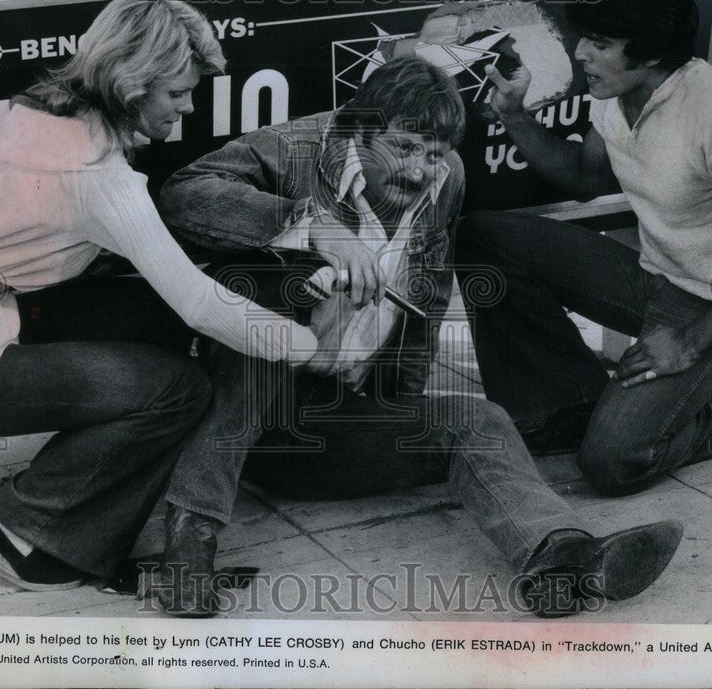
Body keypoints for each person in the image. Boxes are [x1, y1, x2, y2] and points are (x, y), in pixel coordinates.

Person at [155, 56, 684, 619]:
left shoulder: (446, 177)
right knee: (262, 311)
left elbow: (426, 302)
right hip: (240, 425)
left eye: (433, 154)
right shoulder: (294, 149)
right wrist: (314, 226)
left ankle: (560, 557)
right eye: (404, 148)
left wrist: (400, 415)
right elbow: (183, 194)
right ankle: (189, 545)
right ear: (360, 131)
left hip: (322, 434)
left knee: (481, 420)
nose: (419, 170)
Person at [0, 0, 316, 597]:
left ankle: (97, 515)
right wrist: (315, 348)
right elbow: (200, 303)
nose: (188, 108)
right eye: (178, 93)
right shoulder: (98, 177)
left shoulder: (37, 117)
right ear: (133, 83)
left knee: (161, 325)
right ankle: (16, 527)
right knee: (179, 390)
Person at [456, 0, 712, 494]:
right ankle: (566, 406)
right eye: (584, 38)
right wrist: (513, 116)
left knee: (612, 463)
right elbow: (585, 177)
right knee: (481, 235)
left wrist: (691, 343)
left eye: (600, 43)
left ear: (650, 51)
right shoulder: (616, 93)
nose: (580, 53)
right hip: (653, 279)